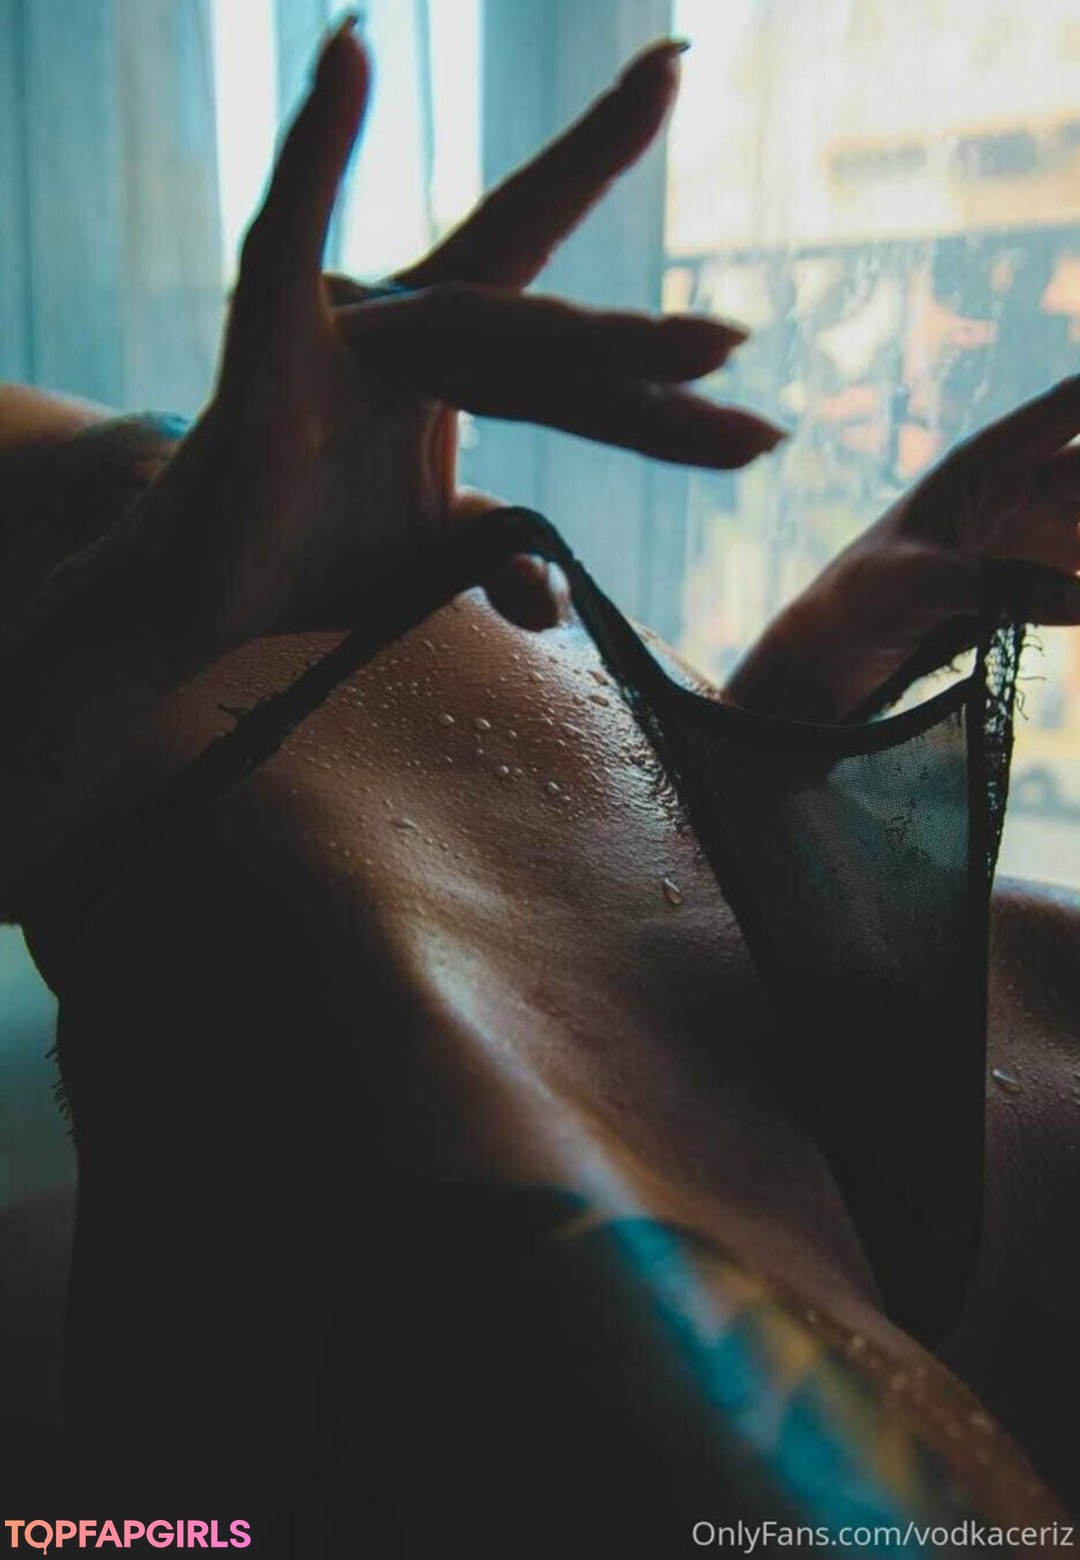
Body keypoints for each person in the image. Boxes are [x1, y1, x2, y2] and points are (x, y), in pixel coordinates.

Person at [3, 19, 1080, 1554]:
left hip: (733, 1099)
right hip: (558, 1160)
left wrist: (823, 656)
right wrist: (102, 663)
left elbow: (650, 921)